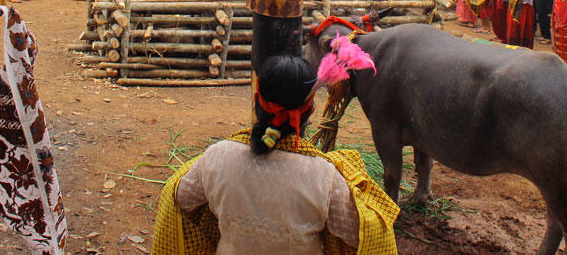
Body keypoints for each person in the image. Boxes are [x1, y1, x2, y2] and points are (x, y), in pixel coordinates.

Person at [156, 55, 398, 252]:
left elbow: (182, 198)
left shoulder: (217, 157)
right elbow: (360, 235)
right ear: (310, 110)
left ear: (256, 101)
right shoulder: (325, 176)